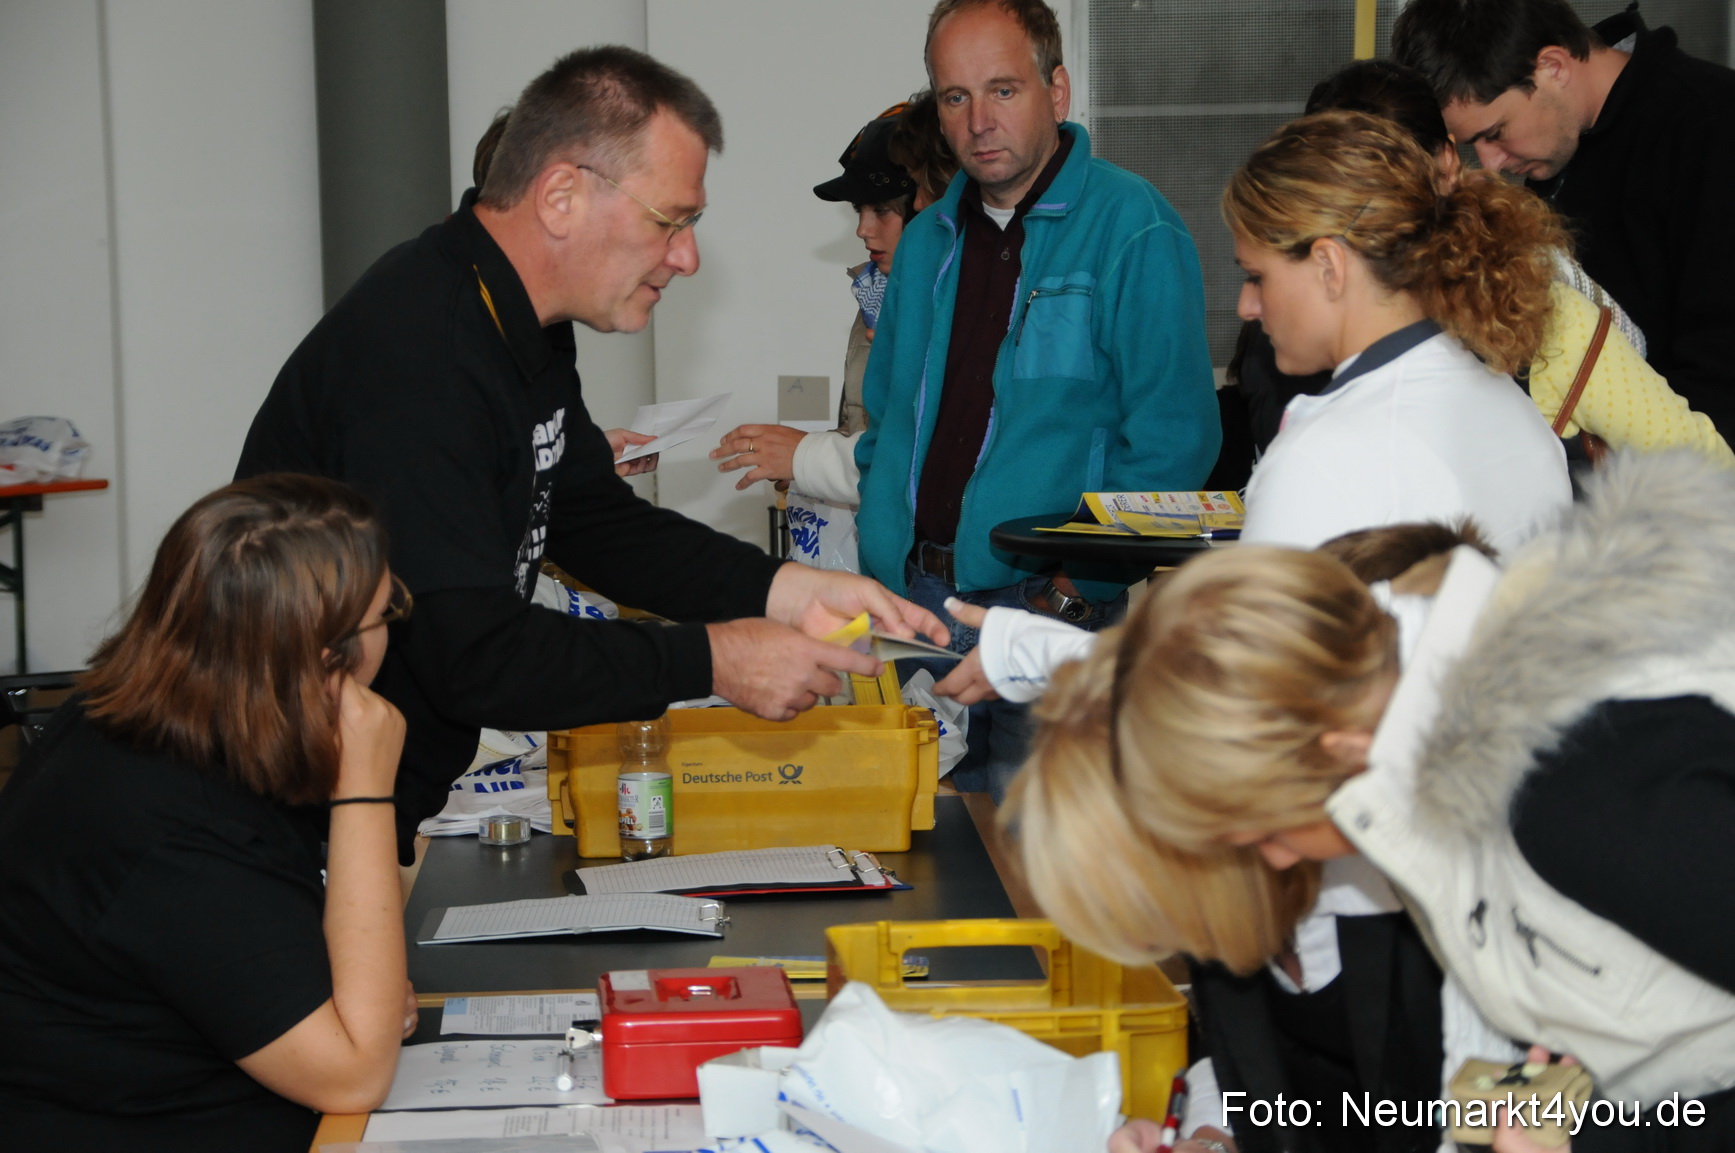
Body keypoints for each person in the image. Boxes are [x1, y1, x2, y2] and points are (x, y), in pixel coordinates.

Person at [236, 47, 944, 857]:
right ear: (562, 196)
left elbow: (595, 520)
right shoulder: (422, 349)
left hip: (365, 797)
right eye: (669, 221)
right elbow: (474, 652)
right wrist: (714, 659)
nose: (686, 258)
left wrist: (784, 589)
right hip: (273, 808)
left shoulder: (520, 322)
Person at [1016, 450, 1735, 1153]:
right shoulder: (1442, 799)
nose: (1270, 856)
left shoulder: (1569, 788)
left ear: (1330, 750)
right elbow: (1565, 1058)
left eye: (1262, 829)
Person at [948, 107, 1573, 703]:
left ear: (1328, 266)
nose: (1248, 306)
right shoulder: (1513, 414)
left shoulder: (1331, 452)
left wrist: (1036, 653)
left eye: (1257, 276)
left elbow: (1236, 695)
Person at [858, 0, 1220, 800]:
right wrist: (878, 541)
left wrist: (1074, 588)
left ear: (1056, 91)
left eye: (1003, 91)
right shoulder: (924, 242)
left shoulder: (1133, 228)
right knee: (921, 866)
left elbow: (1170, 443)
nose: (979, 121)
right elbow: (883, 419)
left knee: (1039, 872)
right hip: (914, 606)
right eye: (954, 98)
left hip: (1050, 612)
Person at [0, 474, 414, 1151]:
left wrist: (353, 995)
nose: (395, 622)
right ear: (320, 657)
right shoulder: (170, 827)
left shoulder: (157, 717)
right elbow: (355, 1073)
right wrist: (366, 790)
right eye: (385, 611)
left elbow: (335, 977)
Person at [1229, 59, 1730, 470]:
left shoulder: (1539, 307)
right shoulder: (1280, 327)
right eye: (1334, 182)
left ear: (1446, 165)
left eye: (1389, 176)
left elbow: (1702, 465)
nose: (1365, 203)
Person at [1393, 0, 1735, 438]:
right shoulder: (1559, 145)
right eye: (1469, 144)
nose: (1491, 164)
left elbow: (1722, 367)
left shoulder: (1713, 128)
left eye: (1495, 133)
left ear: (1553, 66)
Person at [710, 95, 959, 513]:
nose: (863, 228)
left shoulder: (958, 306)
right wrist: (802, 459)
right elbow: (866, 432)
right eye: (858, 210)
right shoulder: (874, 292)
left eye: (881, 210)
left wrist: (806, 456)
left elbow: (926, 457)